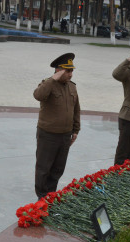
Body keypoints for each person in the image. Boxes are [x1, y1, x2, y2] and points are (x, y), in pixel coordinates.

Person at [33, 53, 81, 200]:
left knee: (58, 169)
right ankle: (41, 198)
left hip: (65, 135)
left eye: (72, 71)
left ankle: (50, 195)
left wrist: (75, 130)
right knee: (44, 169)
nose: (71, 74)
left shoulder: (72, 87)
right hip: (48, 135)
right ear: (59, 70)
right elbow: (38, 95)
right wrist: (52, 79)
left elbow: (76, 109)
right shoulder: (48, 84)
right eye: (67, 71)